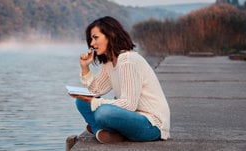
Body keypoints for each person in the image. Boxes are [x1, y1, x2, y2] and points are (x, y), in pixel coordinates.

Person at [69, 16, 170, 144]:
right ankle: (103, 132)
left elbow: (129, 104)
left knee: (103, 112)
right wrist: (85, 67)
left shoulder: (127, 61)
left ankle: (101, 129)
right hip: (130, 118)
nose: (92, 44)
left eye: (95, 38)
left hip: (152, 124)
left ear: (110, 34)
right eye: (91, 39)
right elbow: (94, 90)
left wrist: (96, 103)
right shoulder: (110, 63)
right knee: (82, 100)